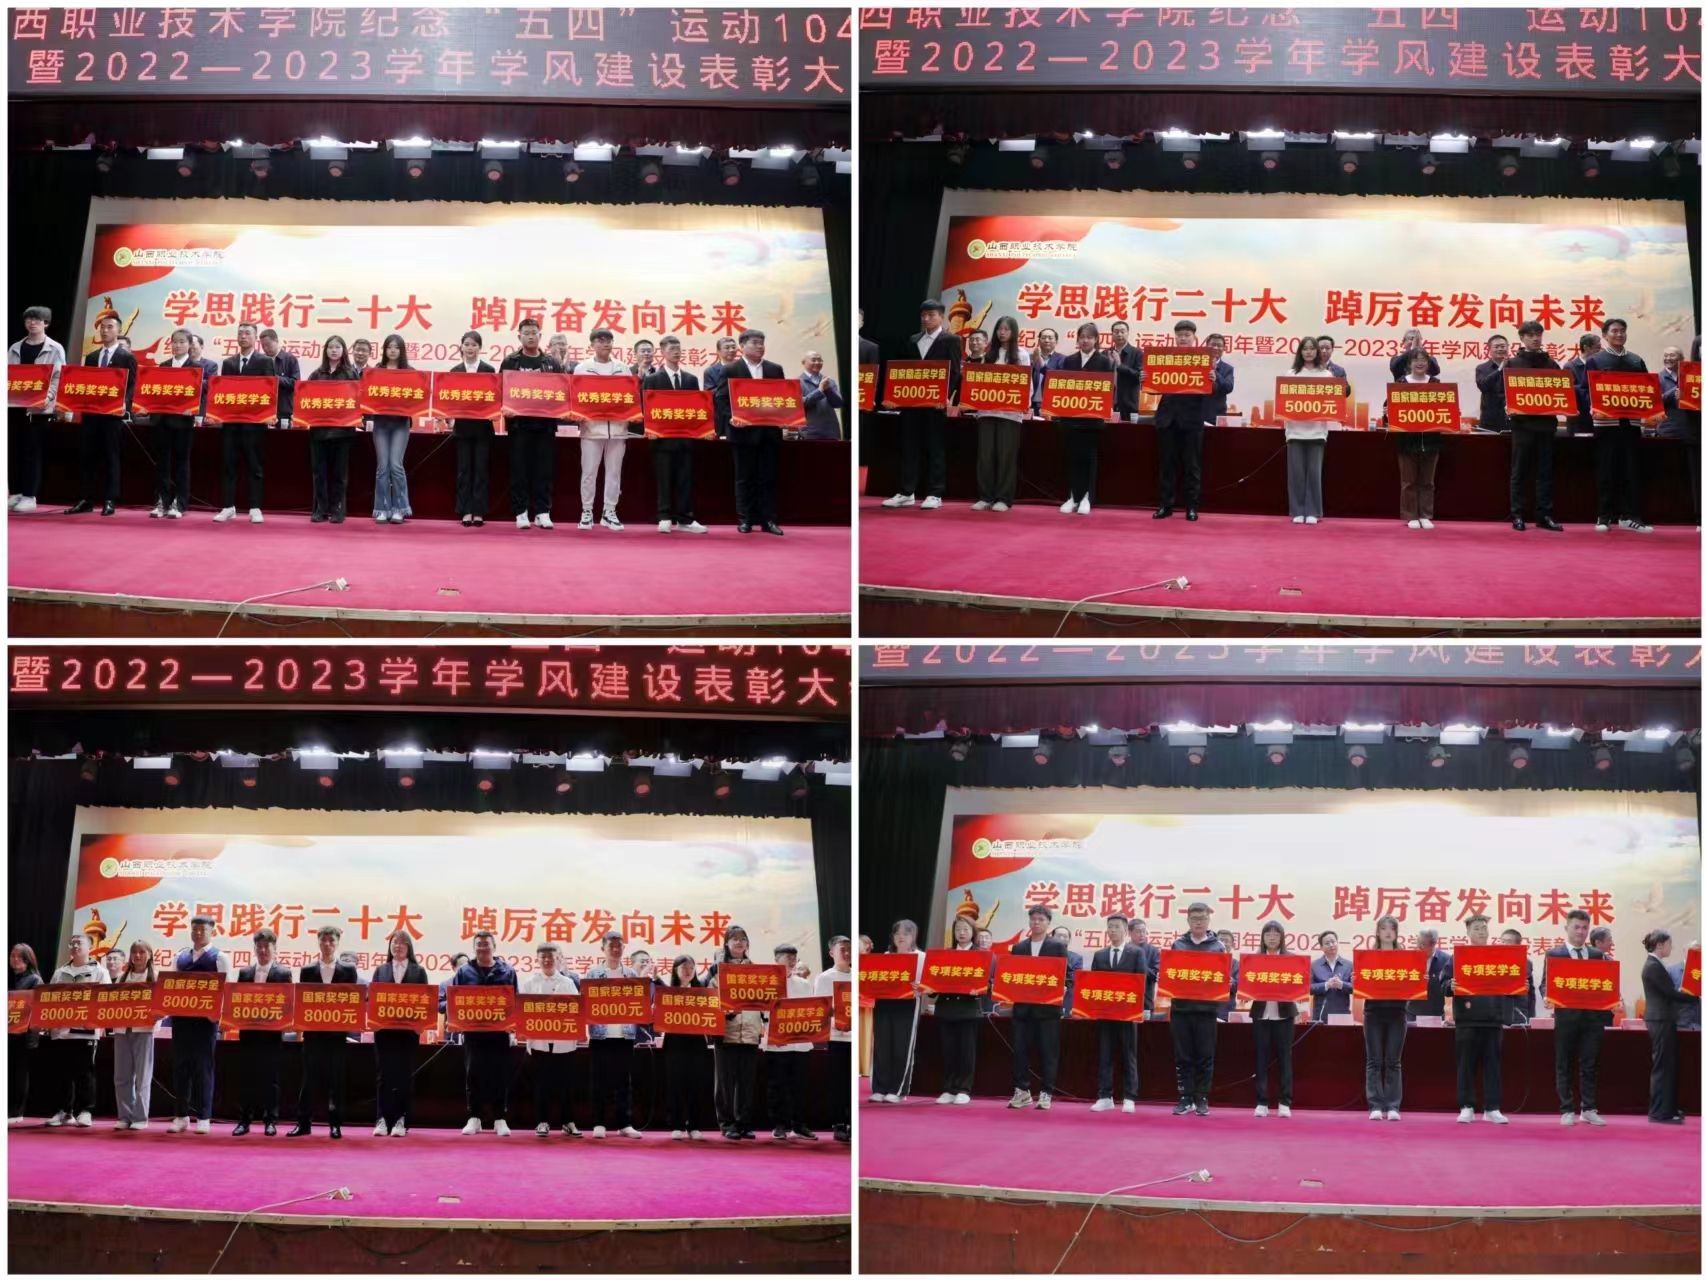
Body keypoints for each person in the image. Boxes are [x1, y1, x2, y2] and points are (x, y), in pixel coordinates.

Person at [882, 299, 961, 511]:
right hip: (912, 403)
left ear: (941, 317)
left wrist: (946, 397)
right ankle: (907, 492)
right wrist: (896, 397)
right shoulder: (913, 339)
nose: (926, 319)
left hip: (936, 404)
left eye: (931, 315)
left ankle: (935, 493)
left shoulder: (951, 340)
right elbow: (904, 371)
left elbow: (955, 372)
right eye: (923, 315)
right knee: (909, 447)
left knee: (935, 448)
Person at [67, 307, 136, 517]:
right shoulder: (91, 356)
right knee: (88, 455)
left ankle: (110, 499)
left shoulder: (126, 357)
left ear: (119, 330)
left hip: (113, 416)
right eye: (102, 327)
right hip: (91, 414)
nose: (105, 331)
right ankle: (86, 499)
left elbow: (132, 386)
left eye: (110, 327)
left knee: (110, 456)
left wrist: (124, 405)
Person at [1543, 909, 1608, 1127]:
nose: (1580, 932)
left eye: (1584, 928)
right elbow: (1545, 984)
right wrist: (1547, 996)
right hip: (1566, 1019)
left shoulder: (1597, 955)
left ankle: (1588, 1109)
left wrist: (1612, 999)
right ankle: (1567, 1109)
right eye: (1576, 927)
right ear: (1567, 928)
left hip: (1592, 1020)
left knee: (1590, 1064)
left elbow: (1605, 984)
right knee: (1564, 1064)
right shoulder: (1554, 954)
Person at [1588, 318, 1653, 533]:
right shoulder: (1596, 360)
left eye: (1622, 331)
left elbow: (1647, 389)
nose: (1619, 334)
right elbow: (1587, 389)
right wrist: (1593, 405)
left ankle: (1630, 516)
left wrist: (1652, 412)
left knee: (1631, 470)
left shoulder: (1636, 360)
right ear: (1605, 335)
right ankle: (1604, 516)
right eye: (1614, 331)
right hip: (1605, 423)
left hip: (1631, 423)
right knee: (1606, 469)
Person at [290, 926, 356, 1138]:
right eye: (323, 941)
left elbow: (352, 1001)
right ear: (318, 942)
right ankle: (303, 1123)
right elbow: (302, 1002)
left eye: (331, 941)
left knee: (336, 1081)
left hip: (337, 1036)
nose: (327, 944)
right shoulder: (307, 970)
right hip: (313, 1035)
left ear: (337, 943)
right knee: (308, 1080)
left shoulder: (349, 970)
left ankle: (335, 1125)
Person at [499, 317, 565, 530]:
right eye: (526, 333)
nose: (530, 336)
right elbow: (500, 391)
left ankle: (542, 512)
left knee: (543, 470)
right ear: (519, 336)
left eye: (534, 333)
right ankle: (521, 512)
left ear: (540, 336)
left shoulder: (551, 363)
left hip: (545, 425)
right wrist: (506, 407)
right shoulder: (511, 362)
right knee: (519, 470)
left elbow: (562, 393)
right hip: (519, 426)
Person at [1445, 913, 1509, 1124]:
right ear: (1468, 933)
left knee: (1493, 1065)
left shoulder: (1498, 956)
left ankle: (1492, 1108)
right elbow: (1444, 983)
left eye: (1484, 928)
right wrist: (1450, 985)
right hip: (1467, 1019)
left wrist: (1519, 984)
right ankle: (1467, 1106)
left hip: (1493, 1018)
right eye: (1476, 929)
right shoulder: (1458, 957)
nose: (1481, 932)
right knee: (1466, 1065)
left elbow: (1510, 980)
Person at [453, 930, 519, 1134]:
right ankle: (474, 1117)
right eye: (479, 945)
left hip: (499, 1034)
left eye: (486, 944)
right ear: (474, 948)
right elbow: (454, 1000)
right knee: (473, 1075)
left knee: (499, 1075)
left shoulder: (507, 971)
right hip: (473, 1033)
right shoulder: (464, 972)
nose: (482, 948)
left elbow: (515, 1002)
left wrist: (514, 1031)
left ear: (494, 947)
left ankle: (500, 1118)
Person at [167, 914, 227, 1133]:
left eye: (203, 929)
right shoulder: (180, 956)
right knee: (181, 1068)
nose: (198, 933)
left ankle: (204, 1116)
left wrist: (218, 1016)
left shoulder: (219, 957)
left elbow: (225, 989)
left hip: (205, 1022)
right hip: (181, 1020)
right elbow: (170, 985)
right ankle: (181, 1115)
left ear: (213, 931)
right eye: (195, 929)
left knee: (203, 1068)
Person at [642, 336, 708, 534]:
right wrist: (650, 430)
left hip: (685, 438)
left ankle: (685, 519)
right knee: (664, 479)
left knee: (685, 479)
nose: (676, 352)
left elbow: (697, 408)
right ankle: (664, 517)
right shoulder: (652, 379)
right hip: (661, 439)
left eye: (678, 349)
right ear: (662, 352)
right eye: (672, 349)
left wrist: (703, 429)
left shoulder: (690, 379)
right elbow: (647, 408)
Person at [1005, 905, 1068, 1110]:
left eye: (1041, 919)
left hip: (1048, 1010)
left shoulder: (1057, 947)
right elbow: (1012, 975)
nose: (1036, 923)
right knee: (1020, 1051)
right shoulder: (1019, 948)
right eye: (1033, 919)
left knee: (1048, 1053)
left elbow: (1065, 975)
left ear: (1048, 923)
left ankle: (1046, 1093)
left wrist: (1064, 987)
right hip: (1023, 1010)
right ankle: (1022, 1091)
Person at [1505, 320, 1566, 532]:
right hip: (1522, 426)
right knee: (1519, 471)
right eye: (1530, 335)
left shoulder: (1551, 364)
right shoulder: (1513, 364)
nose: (1535, 339)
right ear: (1522, 338)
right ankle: (1517, 515)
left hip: (1546, 425)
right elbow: (1502, 392)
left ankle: (1544, 515)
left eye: (1538, 335)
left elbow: (1562, 392)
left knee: (1545, 473)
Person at [726, 329, 788, 535]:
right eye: (755, 343)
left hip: (769, 433)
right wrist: (731, 417)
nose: (760, 346)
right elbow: (721, 399)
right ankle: (745, 520)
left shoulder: (774, 369)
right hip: (742, 433)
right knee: (744, 478)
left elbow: (783, 399)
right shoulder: (731, 369)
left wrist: (787, 418)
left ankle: (768, 520)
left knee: (767, 478)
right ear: (742, 346)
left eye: (762, 342)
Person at [212, 322, 275, 523]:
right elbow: (224, 391)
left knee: (254, 465)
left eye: (247, 333)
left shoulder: (265, 361)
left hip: (254, 424)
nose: (243, 336)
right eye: (240, 333)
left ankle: (255, 507)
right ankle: (228, 506)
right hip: (231, 423)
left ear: (255, 338)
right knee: (228, 464)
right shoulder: (229, 363)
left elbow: (269, 391)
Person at [44, 932, 109, 1127]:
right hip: (61, 1030)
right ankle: (63, 1111)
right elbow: (49, 998)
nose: (74, 946)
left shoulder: (99, 971)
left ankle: (85, 1111)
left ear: (90, 947)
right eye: (72, 943)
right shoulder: (60, 972)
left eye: (79, 943)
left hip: (85, 1030)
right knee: (61, 1073)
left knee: (84, 1072)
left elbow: (106, 999)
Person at [231, 927, 291, 1136]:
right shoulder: (245, 973)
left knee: (271, 1080)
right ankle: (244, 1120)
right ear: (254, 949)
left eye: (267, 946)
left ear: (275, 949)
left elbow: (287, 1004)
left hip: (272, 1036)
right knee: (246, 1078)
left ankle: (270, 1120)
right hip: (249, 1034)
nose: (263, 950)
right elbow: (237, 1001)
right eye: (259, 946)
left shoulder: (283, 973)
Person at [369, 929, 429, 1138]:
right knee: (383, 1076)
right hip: (384, 1032)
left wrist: (421, 1025)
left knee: (404, 1076)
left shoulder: (418, 971)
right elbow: (373, 998)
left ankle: (401, 1119)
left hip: (408, 1032)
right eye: (394, 942)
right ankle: (382, 1119)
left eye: (403, 943)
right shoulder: (381, 970)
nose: (398, 946)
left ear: (409, 947)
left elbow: (425, 1000)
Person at [8, 306, 67, 513]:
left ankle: (29, 495)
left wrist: (47, 397)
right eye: (29, 319)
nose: (32, 323)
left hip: (39, 410)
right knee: (13, 450)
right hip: (14, 406)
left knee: (32, 451)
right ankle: (15, 492)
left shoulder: (55, 348)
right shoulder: (15, 347)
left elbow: (59, 377)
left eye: (37, 320)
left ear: (46, 323)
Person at [585, 931, 644, 1138]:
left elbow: (640, 1004)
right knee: (598, 1081)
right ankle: (599, 1122)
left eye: (619, 946)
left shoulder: (631, 974)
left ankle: (624, 1124)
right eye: (612, 946)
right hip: (600, 1036)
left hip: (624, 1035)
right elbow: (585, 1005)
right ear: (603, 948)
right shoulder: (593, 975)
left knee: (624, 1082)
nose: (616, 949)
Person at [968, 315, 1030, 513]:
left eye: (1006, 329)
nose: (1002, 332)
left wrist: (1024, 403)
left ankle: (1003, 498)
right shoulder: (989, 354)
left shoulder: (1021, 354)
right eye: (999, 329)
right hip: (987, 411)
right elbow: (979, 381)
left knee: (1006, 456)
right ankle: (985, 496)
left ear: (1014, 332)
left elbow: (1026, 383)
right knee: (985, 455)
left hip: (1010, 414)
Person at [1170, 902, 1227, 1117]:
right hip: (1181, 1009)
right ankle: (1185, 1097)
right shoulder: (1178, 945)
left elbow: (1222, 977)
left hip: (1207, 1011)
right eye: (1194, 918)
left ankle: (1201, 1097)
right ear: (1188, 920)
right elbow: (1171, 974)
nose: (1198, 922)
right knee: (1183, 1056)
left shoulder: (1218, 947)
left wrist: (1226, 982)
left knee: (1205, 1056)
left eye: (1202, 918)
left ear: (1208, 920)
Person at [1053, 322, 1115, 516]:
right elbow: (1062, 387)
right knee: (1073, 458)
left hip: (1092, 420)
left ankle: (1087, 497)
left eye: (1089, 337)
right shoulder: (1069, 360)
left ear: (1096, 340)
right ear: (1078, 339)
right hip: (1070, 418)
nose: (1085, 340)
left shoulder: (1104, 362)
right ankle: (1073, 496)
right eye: (1082, 337)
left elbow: (1108, 390)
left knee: (1088, 458)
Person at [520, 940, 580, 1138]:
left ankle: (568, 1122)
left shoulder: (568, 983)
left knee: (566, 1084)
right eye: (543, 957)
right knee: (541, 1084)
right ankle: (542, 1121)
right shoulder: (529, 983)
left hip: (564, 1043)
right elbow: (522, 1012)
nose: (547, 960)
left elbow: (576, 1010)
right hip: (539, 1043)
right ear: (537, 960)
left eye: (551, 957)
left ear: (558, 959)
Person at [574, 328, 632, 531]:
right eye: (600, 340)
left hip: (617, 429)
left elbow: (630, 398)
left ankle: (609, 512)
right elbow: (576, 398)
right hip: (591, 428)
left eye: (608, 340)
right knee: (589, 473)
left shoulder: (623, 368)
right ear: (592, 344)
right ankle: (587, 511)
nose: (605, 343)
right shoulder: (582, 368)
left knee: (614, 473)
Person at [1154, 319, 1209, 520]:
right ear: (1175, 337)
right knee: (1167, 465)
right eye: (1179, 335)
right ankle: (1165, 506)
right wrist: (1146, 379)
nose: (1183, 338)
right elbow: (1154, 387)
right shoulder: (1165, 358)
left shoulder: (1203, 359)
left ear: (1194, 338)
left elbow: (1218, 388)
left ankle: (1191, 507)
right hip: (1167, 418)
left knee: (1192, 466)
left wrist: (1212, 378)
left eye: (1187, 335)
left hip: (1192, 419)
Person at [712, 923, 764, 1137]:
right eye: (735, 939)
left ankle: (744, 1123)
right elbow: (709, 1000)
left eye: (743, 939)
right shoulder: (717, 971)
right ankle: (727, 1124)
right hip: (726, 1032)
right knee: (725, 1083)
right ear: (726, 943)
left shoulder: (758, 971)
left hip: (750, 1032)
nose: (739, 942)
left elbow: (765, 999)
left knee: (746, 1082)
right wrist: (725, 1012)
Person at [1090, 913, 1145, 1114]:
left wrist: (1140, 1008)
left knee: (1128, 1055)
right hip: (1105, 1013)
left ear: (1125, 931)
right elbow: (1093, 983)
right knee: (1105, 1054)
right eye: (1110, 927)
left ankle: (1129, 1097)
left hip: (1128, 1014)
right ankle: (1105, 1096)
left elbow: (1141, 981)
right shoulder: (1100, 955)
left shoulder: (1136, 953)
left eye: (1116, 927)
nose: (1112, 930)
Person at [1640, 928, 1697, 1124]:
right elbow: (1670, 993)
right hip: (1660, 1019)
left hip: (1664, 1018)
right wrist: (1694, 997)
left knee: (1667, 1065)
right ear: (1660, 945)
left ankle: (1668, 1109)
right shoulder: (1653, 966)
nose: (1671, 948)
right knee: (1662, 1067)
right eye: (1669, 944)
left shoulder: (1656, 964)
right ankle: (1658, 1112)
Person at [443, 330, 498, 527]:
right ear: (461, 347)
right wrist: (448, 417)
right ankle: (465, 510)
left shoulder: (489, 370)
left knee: (481, 471)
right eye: (466, 344)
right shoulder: (455, 371)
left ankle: (479, 511)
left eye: (474, 345)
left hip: (483, 428)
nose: (470, 348)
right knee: (464, 471)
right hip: (463, 428)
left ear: (480, 348)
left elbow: (494, 397)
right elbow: (449, 399)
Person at [302, 334, 359, 524]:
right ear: (325, 351)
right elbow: (306, 399)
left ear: (343, 351)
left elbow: (357, 401)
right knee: (319, 472)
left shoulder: (351, 374)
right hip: (319, 431)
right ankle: (320, 509)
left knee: (339, 473)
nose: (334, 350)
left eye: (337, 347)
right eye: (330, 347)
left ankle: (338, 508)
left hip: (343, 432)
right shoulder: (316, 374)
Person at [764, 943, 817, 1140]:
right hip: (776, 1044)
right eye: (788, 957)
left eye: (794, 957)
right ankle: (779, 1125)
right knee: (777, 1086)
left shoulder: (804, 984)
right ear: (776, 960)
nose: (792, 961)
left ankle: (799, 1125)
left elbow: (812, 1010)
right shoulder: (767, 983)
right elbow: (762, 1013)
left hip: (800, 1043)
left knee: (800, 1086)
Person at [145, 327, 199, 520]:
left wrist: (193, 408)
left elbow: (199, 394)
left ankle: (180, 502)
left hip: (183, 423)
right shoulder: (163, 366)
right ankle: (162, 500)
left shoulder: (195, 368)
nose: (177, 345)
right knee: (162, 462)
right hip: (162, 421)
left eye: (182, 342)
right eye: (174, 341)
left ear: (190, 345)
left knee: (181, 463)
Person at [869, 918, 924, 1106]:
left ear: (913, 936)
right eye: (897, 933)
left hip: (907, 1004)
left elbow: (928, 983)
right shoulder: (885, 956)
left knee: (902, 1047)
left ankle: (898, 1090)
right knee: (882, 1047)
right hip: (884, 1003)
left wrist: (921, 986)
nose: (901, 937)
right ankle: (879, 1088)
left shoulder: (921, 957)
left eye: (906, 933)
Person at [1388, 346, 1442, 531]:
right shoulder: (1401, 382)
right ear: (1409, 363)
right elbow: (1390, 410)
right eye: (1416, 360)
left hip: (1431, 439)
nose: (1420, 363)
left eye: (1423, 360)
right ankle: (1411, 515)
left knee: (1428, 482)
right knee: (1408, 481)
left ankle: (1425, 515)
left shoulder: (1436, 383)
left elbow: (1444, 408)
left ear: (1428, 363)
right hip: (1407, 440)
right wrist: (1387, 412)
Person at [933, 914, 984, 1106]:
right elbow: (934, 981)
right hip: (946, 1009)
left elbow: (987, 983)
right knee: (948, 1051)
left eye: (965, 929)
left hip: (968, 1010)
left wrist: (980, 989)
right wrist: (929, 988)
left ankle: (964, 1089)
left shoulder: (980, 955)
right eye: (958, 930)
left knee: (966, 1052)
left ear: (973, 932)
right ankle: (948, 1089)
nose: (961, 933)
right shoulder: (945, 955)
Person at [1285, 336, 1336, 524]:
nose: (1308, 352)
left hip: (1317, 431)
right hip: (1295, 430)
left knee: (1314, 474)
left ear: (1317, 352)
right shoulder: (1291, 374)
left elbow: (1333, 403)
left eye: (1312, 348)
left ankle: (1313, 511)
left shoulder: (1326, 375)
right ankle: (1297, 511)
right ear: (1300, 352)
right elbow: (1283, 403)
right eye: (1305, 349)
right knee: (1296, 474)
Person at [1362, 915, 1409, 1122]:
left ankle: (1392, 1106)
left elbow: (1412, 984)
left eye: (1392, 928)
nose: (1388, 932)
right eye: (1384, 928)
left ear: (1396, 933)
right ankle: (1375, 1105)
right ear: (1378, 932)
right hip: (1373, 1012)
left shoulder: (1406, 958)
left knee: (1393, 1061)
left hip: (1397, 1013)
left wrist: (1419, 978)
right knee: (1374, 1061)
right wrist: (1357, 979)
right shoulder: (1367, 957)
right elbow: (1362, 984)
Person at [1248, 921, 1296, 1118]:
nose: (1272, 937)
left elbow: (1299, 984)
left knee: (1285, 1058)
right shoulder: (1254, 960)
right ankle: (1262, 1102)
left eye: (1276, 934)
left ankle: (1284, 1102)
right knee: (1261, 1058)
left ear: (1282, 937)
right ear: (1263, 937)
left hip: (1284, 1015)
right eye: (1268, 934)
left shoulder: (1291, 960)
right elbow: (1247, 984)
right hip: (1261, 1014)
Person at [661, 953, 712, 1140]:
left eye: (691, 968)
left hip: (696, 1043)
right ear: (675, 970)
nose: (688, 971)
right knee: (675, 1085)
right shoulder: (667, 992)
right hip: (674, 1043)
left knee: (696, 1085)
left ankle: (694, 1126)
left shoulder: (702, 992)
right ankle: (676, 1125)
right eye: (684, 967)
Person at [367, 334, 415, 524]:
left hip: (400, 424)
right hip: (381, 423)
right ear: (384, 350)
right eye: (389, 347)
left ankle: (400, 509)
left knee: (395, 465)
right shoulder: (376, 371)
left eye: (396, 347)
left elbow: (416, 397)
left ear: (401, 350)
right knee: (382, 467)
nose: (393, 350)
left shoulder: (409, 372)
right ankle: (382, 508)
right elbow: (369, 396)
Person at [110, 939, 158, 1130]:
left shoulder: (155, 977)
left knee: (143, 1076)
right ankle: (124, 1115)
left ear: (150, 955)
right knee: (121, 1076)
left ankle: (140, 1117)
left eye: (142, 952)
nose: (138, 956)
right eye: (134, 952)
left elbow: (164, 1005)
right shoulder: (122, 977)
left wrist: (156, 1016)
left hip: (144, 1030)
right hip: (122, 1030)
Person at [815, 935, 853, 1141]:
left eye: (849, 949)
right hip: (837, 1037)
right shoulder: (824, 978)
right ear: (831, 953)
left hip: (856, 1037)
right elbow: (820, 1009)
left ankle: (853, 1123)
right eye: (842, 949)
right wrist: (836, 1020)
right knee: (838, 1082)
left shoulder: (857, 975)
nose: (846, 953)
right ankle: (838, 1123)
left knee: (852, 1083)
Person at [9, 944, 44, 1122]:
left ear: (28, 960)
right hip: (9, 1032)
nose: (14, 959)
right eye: (12, 956)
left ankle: (17, 1111)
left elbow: (38, 1008)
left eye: (19, 956)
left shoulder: (34, 980)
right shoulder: (10, 978)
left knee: (19, 1073)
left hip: (24, 1034)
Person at [1406, 927, 1452, 1022]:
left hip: (1437, 1014)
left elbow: (1449, 987)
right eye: (1417, 942)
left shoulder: (1446, 960)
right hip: (1412, 1012)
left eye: (1422, 944)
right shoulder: (1409, 958)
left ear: (1433, 944)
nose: (1418, 946)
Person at [1309, 930, 1354, 1021]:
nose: (1331, 945)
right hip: (1321, 1015)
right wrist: (1326, 985)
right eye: (1327, 943)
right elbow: (1308, 988)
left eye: (1333, 942)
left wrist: (1342, 985)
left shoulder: (1349, 965)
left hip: (1342, 1014)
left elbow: (1356, 989)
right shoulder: (1314, 965)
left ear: (1337, 943)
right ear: (1321, 947)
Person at [800, 350, 844, 441]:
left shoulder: (829, 381)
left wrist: (828, 390)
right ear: (803, 362)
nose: (817, 362)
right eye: (813, 360)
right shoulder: (797, 382)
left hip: (831, 431)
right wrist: (819, 391)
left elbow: (838, 403)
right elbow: (800, 404)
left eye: (820, 360)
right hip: (809, 432)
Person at [703, 335, 741, 439]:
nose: (731, 350)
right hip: (721, 416)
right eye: (727, 347)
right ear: (718, 351)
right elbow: (709, 393)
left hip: (741, 415)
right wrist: (731, 389)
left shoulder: (742, 368)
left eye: (733, 347)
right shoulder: (710, 371)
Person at [1564, 333, 1602, 436]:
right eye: (1597, 348)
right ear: (1586, 348)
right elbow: (1568, 393)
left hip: (1598, 418)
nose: (1600, 351)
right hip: (1579, 419)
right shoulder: (1570, 367)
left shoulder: (1600, 366)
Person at [1474, 334, 1511, 434]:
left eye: (1503, 346)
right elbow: (1483, 386)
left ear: (1508, 347)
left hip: (1513, 418)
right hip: (1490, 418)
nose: (1500, 349)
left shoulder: (1514, 366)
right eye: (1496, 347)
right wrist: (1499, 369)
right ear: (1489, 349)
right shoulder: (1482, 368)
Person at [1500, 928, 1538, 1024]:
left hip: (1519, 1015)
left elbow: (1531, 994)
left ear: (1518, 945)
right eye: (1502, 941)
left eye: (1508, 941)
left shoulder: (1527, 963)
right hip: (1498, 1014)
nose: (1503, 944)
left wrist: (1531, 1017)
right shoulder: (1492, 963)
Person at [1202, 333, 1235, 428]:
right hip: (1196, 416)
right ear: (1207, 346)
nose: (1216, 348)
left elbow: (1229, 387)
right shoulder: (1197, 364)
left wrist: (1216, 374)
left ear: (1224, 348)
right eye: (1213, 345)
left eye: (1219, 345)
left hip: (1216, 417)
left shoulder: (1228, 369)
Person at [1030, 327, 1064, 416]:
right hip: (1030, 405)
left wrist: (1042, 365)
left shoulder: (1062, 359)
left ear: (1056, 341)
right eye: (1044, 337)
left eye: (1050, 338)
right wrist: (1033, 364)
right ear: (1039, 341)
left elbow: (1056, 379)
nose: (1046, 340)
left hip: (1050, 405)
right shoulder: (1030, 357)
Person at [1051, 925, 1082, 1016]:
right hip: (1045, 998)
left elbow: (1075, 979)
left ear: (1069, 940)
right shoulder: (1044, 955)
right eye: (1058, 936)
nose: (1061, 938)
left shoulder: (1076, 958)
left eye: (1065, 936)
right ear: (1052, 938)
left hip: (1066, 998)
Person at [1215, 928, 1241, 1021]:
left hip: (1226, 1010)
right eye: (1221, 940)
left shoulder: (1236, 964)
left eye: (1226, 941)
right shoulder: (1207, 961)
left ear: (1232, 944)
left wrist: (1232, 983)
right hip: (1207, 1009)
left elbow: (1239, 986)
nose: (1223, 943)